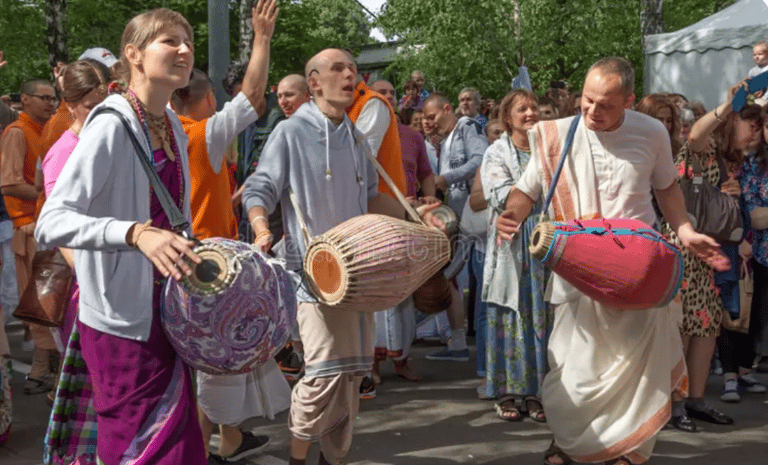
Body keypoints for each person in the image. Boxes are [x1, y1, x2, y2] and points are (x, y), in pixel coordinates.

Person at [498, 57, 728, 464]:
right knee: (574, 369)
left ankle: (630, 451)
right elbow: (526, 189)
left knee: (636, 372)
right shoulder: (558, 135)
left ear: (628, 100)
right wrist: (511, 216)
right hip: (577, 270)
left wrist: (687, 232)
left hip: (637, 272)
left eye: (605, 104)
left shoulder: (652, 132)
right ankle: (570, 445)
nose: (592, 111)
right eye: (587, 100)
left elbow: (668, 190)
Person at [242, 48, 441, 465]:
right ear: (314, 83)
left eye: (352, 68)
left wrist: (416, 215)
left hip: (358, 275)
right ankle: (298, 458)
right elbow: (259, 188)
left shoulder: (354, 135)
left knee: (352, 379)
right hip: (311, 274)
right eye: (338, 69)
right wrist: (262, 229)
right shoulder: (291, 132)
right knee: (323, 375)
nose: (350, 75)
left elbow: (370, 199)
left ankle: (333, 459)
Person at [35, 8, 208, 463]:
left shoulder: (171, 125)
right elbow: (51, 221)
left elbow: (176, 216)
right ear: (133, 54)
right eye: (169, 41)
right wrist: (133, 234)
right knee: (143, 450)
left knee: (181, 444)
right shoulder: (110, 123)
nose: (185, 49)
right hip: (120, 325)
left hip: (169, 314)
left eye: (187, 41)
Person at [170, 3, 285, 461]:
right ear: (209, 101)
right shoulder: (200, 136)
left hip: (166, 262)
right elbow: (255, 96)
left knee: (200, 367)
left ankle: (231, 439)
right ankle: (203, 448)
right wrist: (261, 37)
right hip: (207, 269)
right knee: (212, 365)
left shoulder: (154, 131)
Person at [664, 83, 761, 433]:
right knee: (684, 329)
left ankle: (696, 399)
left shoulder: (728, 161)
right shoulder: (695, 152)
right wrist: (728, 105)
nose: (755, 130)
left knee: (706, 326)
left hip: (710, 252)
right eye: (747, 122)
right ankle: (674, 404)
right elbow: (697, 136)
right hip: (682, 250)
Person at [40, 58, 109, 465]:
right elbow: (61, 225)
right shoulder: (63, 151)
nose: (96, 110)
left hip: (102, 280)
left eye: (101, 101)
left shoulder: (102, 140)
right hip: (83, 286)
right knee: (87, 387)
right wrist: (90, 275)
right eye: (87, 104)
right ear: (69, 105)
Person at [479, 89, 551, 423]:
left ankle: (537, 392)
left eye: (534, 107)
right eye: (522, 109)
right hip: (513, 242)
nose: (531, 113)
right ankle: (508, 391)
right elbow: (503, 196)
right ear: (508, 118)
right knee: (511, 316)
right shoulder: (496, 152)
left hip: (546, 243)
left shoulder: (549, 148)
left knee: (543, 316)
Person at [369, 79, 436, 382]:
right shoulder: (360, 135)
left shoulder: (411, 136)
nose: (387, 97)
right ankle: (372, 364)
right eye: (380, 93)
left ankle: (401, 360)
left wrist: (430, 197)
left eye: (391, 93)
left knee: (403, 293)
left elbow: (425, 175)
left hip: (407, 222)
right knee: (373, 292)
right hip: (372, 224)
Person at [0, 77, 58, 395]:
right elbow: (8, 184)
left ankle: (43, 367)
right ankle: (40, 368)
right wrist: (45, 192)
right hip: (28, 228)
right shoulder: (17, 133)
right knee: (39, 300)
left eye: (54, 98)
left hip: (44, 225)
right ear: (25, 100)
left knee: (50, 300)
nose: (50, 103)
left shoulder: (46, 131)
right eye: (44, 98)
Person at [422, 92, 488, 362]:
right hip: (459, 221)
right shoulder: (447, 140)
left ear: (447, 109)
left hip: (477, 219)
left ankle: (484, 352)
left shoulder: (467, 128)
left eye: (432, 116)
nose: (430, 122)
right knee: (450, 279)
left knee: (477, 281)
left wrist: (446, 178)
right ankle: (458, 343)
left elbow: (481, 159)